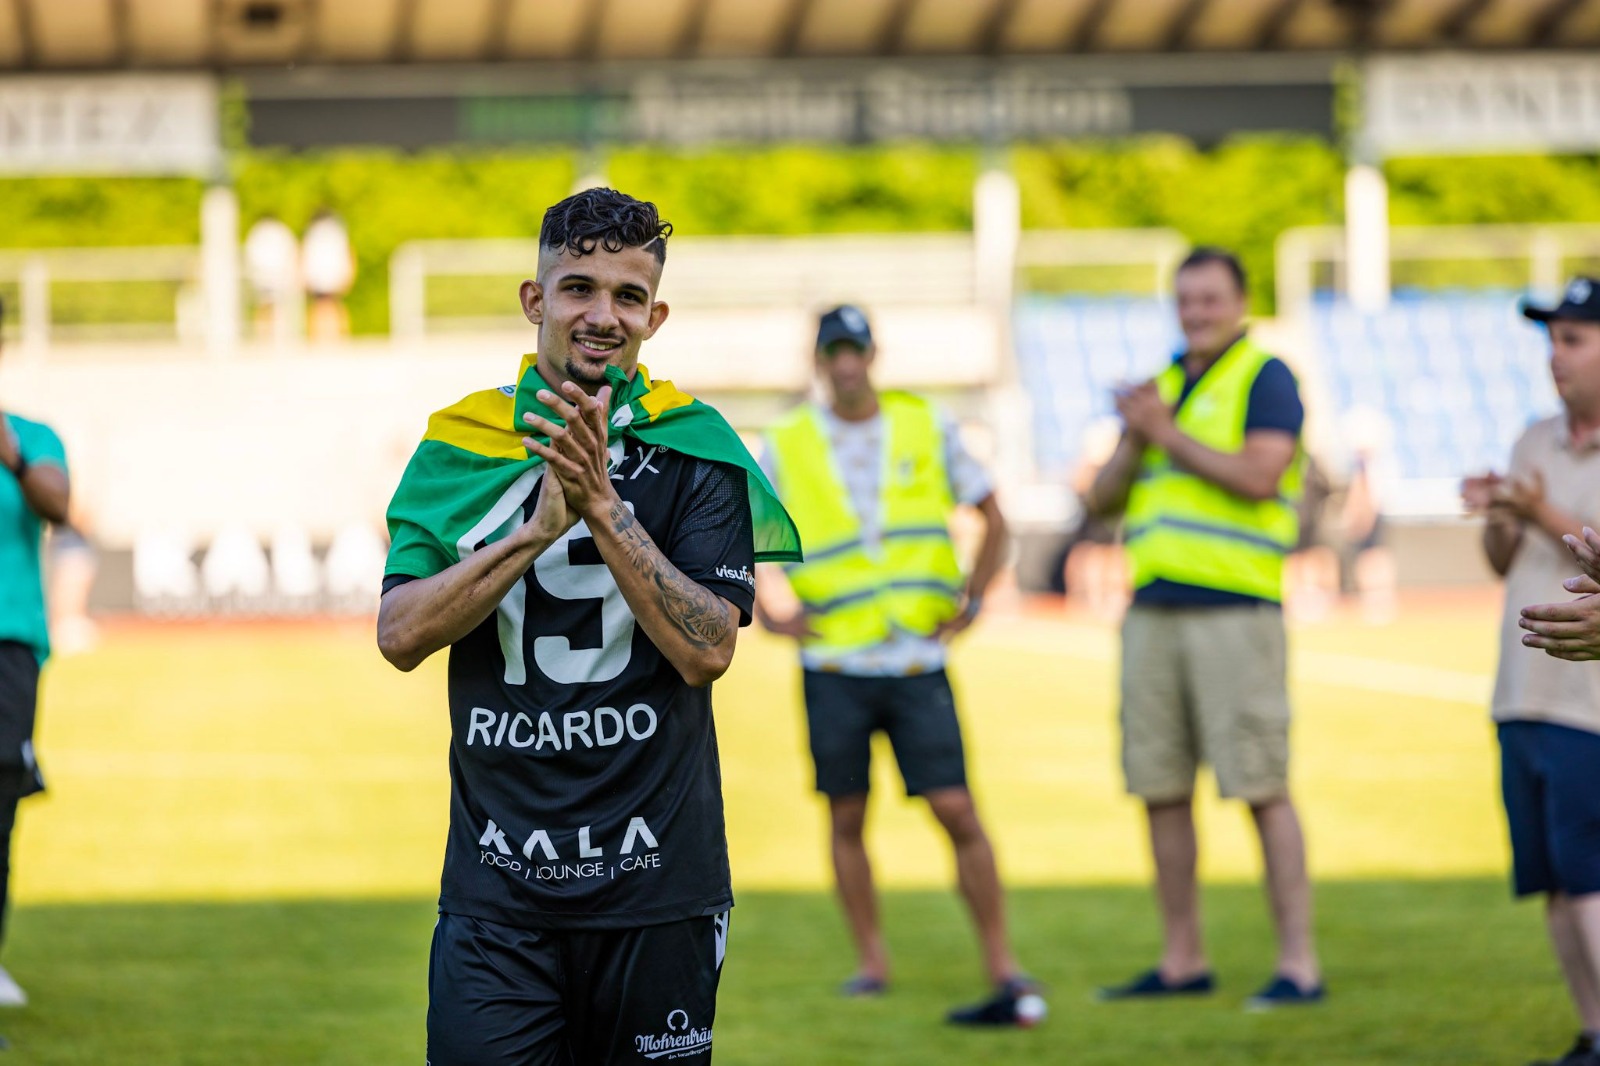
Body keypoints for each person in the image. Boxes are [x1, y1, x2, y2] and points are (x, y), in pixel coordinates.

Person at [377, 188, 799, 1065]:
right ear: (536, 300)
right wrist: (535, 529)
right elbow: (400, 635)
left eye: (628, 296)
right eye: (579, 288)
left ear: (656, 315)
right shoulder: (463, 444)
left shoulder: (698, 447)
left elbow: (708, 649)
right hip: (499, 893)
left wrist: (604, 509)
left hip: (657, 889)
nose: (602, 315)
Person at [754, 305, 1042, 1026]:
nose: (846, 364)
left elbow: (993, 514)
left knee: (956, 809)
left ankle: (1002, 962)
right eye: (834, 352)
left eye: (855, 349)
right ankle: (871, 961)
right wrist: (770, 612)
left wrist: (973, 601)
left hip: (915, 661)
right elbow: (743, 530)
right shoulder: (788, 441)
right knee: (846, 815)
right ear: (819, 361)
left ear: (873, 353)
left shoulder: (927, 422)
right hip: (834, 663)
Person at [1085, 248, 1323, 1009]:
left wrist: (1165, 430)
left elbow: (1260, 476)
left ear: (1241, 301)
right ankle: (1182, 959)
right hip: (1152, 610)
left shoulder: (1266, 376)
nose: (1196, 312)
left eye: (1211, 298)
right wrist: (1134, 435)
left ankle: (1299, 966)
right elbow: (1102, 503)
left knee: (1261, 784)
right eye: (1186, 299)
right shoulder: (1161, 385)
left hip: (1234, 608)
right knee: (1159, 787)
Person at [1464, 278, 1600, 1066]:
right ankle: (1588, 1032)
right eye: (1552, 340)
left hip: (1588, 698)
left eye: (1574, 339)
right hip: (1521, 689)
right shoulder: (1532, 437)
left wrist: (1537, 509)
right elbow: (1499, 562)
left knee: (1589, 875)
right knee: (1552, 880)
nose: (1556, 356)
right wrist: (1500, 513)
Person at [0, 296, 71, 1008]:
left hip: (8, 641)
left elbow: (57, 503)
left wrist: (10, 451)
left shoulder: (31, 436)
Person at [243, 214, 301, 344]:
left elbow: (250, 254)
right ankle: (276, 338)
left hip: (261, 276)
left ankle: (263, 338)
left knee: (264, 307)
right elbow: (291, 251)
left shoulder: (257, 231)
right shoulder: (281, 230)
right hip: (278, 276)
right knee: (277, 308)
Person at [301, 208, 355, 341]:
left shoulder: (312, 231)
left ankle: (316, 338)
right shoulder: (337, 230)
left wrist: (304, 276)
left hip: (317, 275)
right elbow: (348, 252)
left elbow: (304, 254)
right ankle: (340, 337)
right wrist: (348, 274)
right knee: (335, 305)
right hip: (334, 274)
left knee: (319, 306)